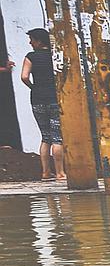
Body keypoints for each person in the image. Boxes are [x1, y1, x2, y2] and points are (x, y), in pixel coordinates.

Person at [2, 28, 65, 180]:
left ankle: (45, 173)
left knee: (45, 137)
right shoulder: (54, 57)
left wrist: (33, 87)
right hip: (54, 99)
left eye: (32, 39)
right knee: (57, 137)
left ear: (39, 41)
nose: (30, 42)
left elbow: (24, 76)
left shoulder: (30, 57)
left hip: (37, 99)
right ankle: (60, 173)